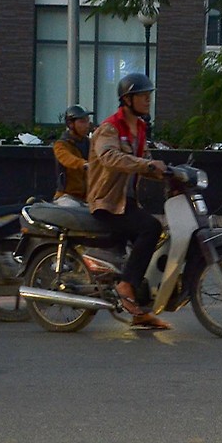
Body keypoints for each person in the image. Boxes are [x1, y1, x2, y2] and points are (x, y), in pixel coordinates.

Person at [86, 73, 171, 330]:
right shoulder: (110, 128)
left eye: (149, 95)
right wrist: (147, 165)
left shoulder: (140, 128)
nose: (148, 100)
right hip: (107, 201)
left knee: (157, 243)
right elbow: (110, 157)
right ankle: (125, 286)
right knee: (151, 228)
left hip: (126, 202)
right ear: (127, 99)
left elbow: (146, 163)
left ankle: (139, 308)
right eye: (142, 96)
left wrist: (171, 175)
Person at [53, 104, 93, 206]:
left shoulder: (90, 143)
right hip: (67, 196)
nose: (87, 125)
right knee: (71, 206)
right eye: (82, 121)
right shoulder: (61, 144)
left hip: (87, 197)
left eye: (88, 121)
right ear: (70, 124)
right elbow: (66, 158)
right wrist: (84, 164)